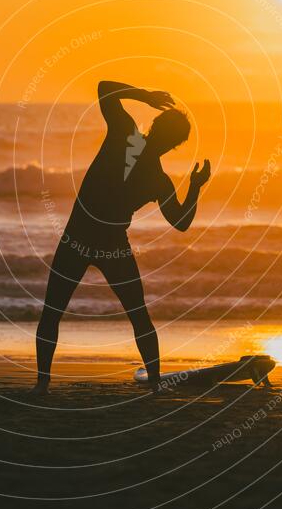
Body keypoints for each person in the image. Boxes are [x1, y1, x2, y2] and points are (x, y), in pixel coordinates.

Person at [32, 81, 211, 395]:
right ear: (174, 145)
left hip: (85, 240)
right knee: (137, 315)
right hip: (108, 245)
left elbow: (104, 88)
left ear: (157, 124)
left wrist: (145, 95)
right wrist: (195, 187)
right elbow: (181, 223)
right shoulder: (155, 175)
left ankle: (42, 385)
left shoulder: (125, 136)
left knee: (55, 312)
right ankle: (154, 385)